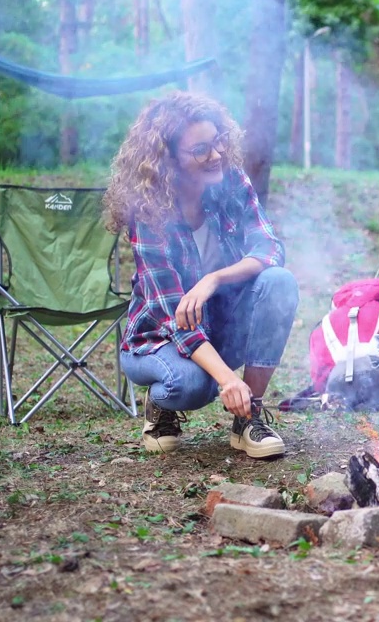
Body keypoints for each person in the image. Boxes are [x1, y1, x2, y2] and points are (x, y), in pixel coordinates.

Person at [103, 91, 299, 458]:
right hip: (156, 338)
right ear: (168, 161)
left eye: (218, 142)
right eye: (201, 150)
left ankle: (249, 419)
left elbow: (270, 248)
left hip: (220, 323)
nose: (217, 155)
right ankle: (160, 406)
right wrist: (227, 379)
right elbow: (178, 319)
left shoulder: (230, 182)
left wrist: (214, 279)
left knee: (279, 282)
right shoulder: (149, 213)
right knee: (191, 385)